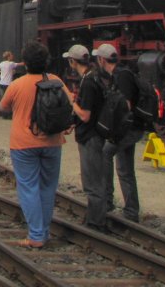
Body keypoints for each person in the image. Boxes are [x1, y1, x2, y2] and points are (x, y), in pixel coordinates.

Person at [0, 40, 69, 248]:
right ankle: (43, 232)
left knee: (29, 187)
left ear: (26, 63)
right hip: (53, 141)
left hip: (23, 143)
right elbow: (69, 102)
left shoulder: (17, 85)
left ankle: (36, 235)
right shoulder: (56, 81)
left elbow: (3, 107)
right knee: (48, 187)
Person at [94, 43, 142, 223]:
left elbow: (125, 106)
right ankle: (131, 210)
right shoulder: (121, 74)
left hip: (127, 129)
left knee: (105, 154)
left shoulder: (122, 76)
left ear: (101, 60)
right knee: (125, 169)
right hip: (130, 128)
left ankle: (107, 201)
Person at [64, 43, 108, 233]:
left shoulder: (88, 82)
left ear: (73, 61)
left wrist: (72, 102)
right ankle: (95, 217)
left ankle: (96, 222)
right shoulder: (94, 77)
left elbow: (86, 115)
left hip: (90, 136)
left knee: (92, 181)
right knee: (94, 178)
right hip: (93, 134)